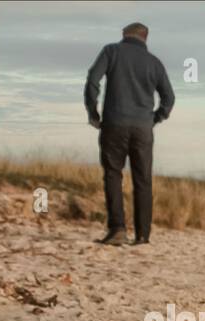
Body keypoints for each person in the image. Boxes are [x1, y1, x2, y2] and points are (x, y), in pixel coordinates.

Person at [84, 22, 175, 246]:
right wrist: (155, 118)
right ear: (146, 38)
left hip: (114, 123)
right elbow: (169, 98)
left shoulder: (111, 51)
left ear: (125, 35)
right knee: (143, 180)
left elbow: (93, 80)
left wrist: (93, 112)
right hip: (143, 129)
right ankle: (143, 236)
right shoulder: (155, 63)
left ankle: (118, 230)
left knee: (113, 175)